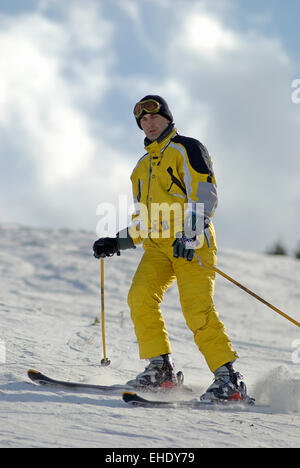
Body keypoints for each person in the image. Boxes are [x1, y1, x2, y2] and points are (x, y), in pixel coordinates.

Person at [93, 95, 248, 402]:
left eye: (155, 118)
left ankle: (229, 378)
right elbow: (146, 219)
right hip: (157, 248)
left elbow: (205, 192)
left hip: (191, 244)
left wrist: (190, 234)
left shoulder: (187, 148)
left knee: (196, 309)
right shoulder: (140, 168)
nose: (149, 124)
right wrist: (118, 240)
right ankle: (160, 369)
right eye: (144, 120)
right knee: (139, 297)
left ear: (167, 119)